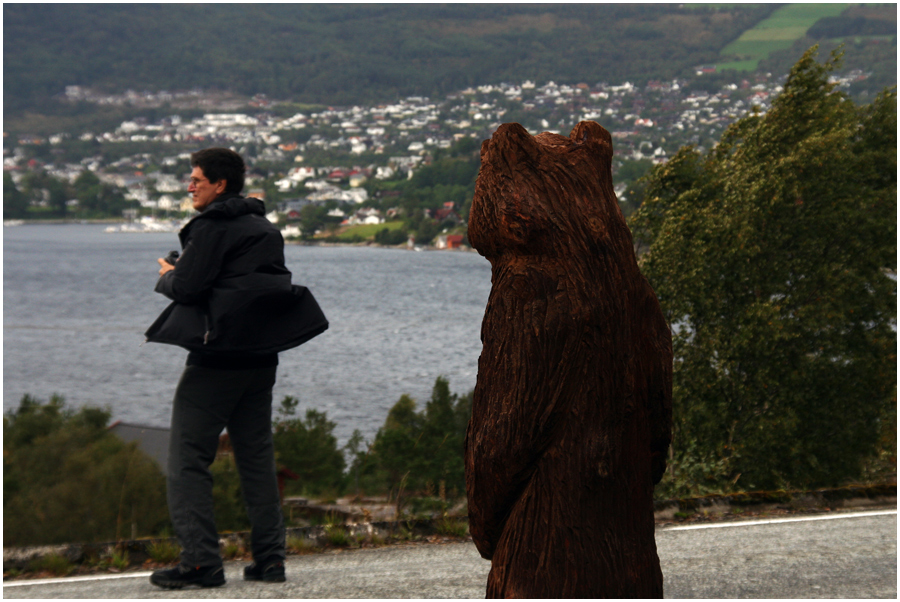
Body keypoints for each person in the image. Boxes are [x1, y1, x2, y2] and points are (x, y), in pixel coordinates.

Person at [145, 148, 327, 589]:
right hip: (261, 359)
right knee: (256, 458)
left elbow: (189, 288)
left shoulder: (209, 227)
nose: (190, 186)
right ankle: (270, 561)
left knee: (188, 459)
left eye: (196, 179)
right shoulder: (264, 228)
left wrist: (167, 273)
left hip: (216, 359)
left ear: (219, 185)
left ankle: (201, 563)